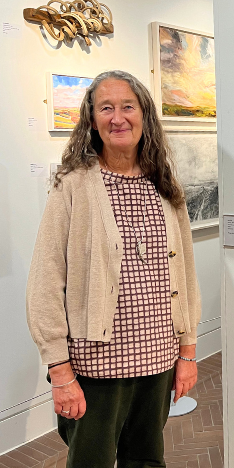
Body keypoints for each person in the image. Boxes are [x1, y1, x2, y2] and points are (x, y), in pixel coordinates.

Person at [26, 70, 201, 468]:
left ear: (145, 116)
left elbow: (186, 274)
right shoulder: (73, 185)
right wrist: (60, 371)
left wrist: (187, 352)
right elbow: (45, 281)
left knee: (146, 460)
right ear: (92, 120)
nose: (117, 117)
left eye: (128, 106)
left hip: (158, 358)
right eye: (106, 108)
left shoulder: (164, 184)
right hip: (96, 366)